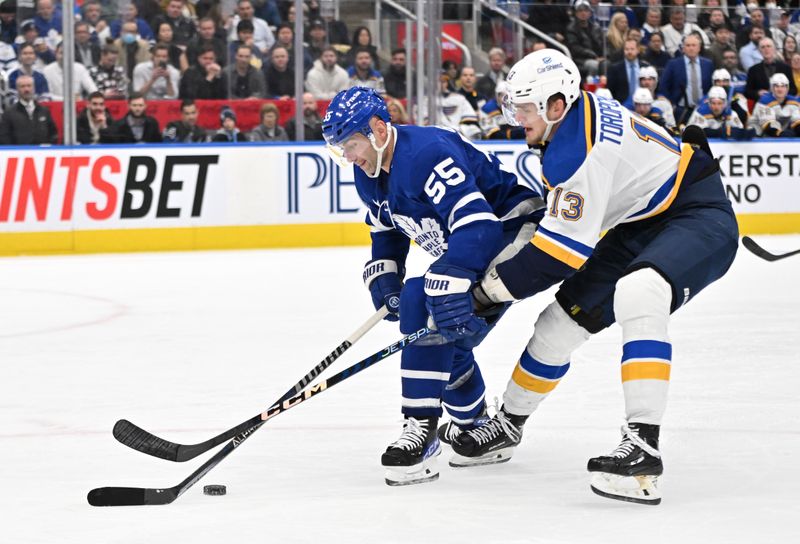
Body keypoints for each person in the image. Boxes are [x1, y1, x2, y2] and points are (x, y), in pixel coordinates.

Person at [439, 49, 738, 506]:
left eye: (524, 108)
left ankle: (642, 446)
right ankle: (507, 425)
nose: (516, 118)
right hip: (639, 222)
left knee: (640, 290)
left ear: (556, 105)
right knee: (556, 326)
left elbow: (557, 257)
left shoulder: (574, 151)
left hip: (698, 215)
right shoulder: (572, 123)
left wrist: (485, 293)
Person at [321, 86, 544, 486]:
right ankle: (474, 425)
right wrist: (386, 281)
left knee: (426, 301)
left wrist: (452, 273)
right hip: (476, 241)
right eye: (342, 148)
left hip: (514, 229)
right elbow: (386, 231)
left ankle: (420, 430)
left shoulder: (426, 154)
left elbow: (478, 224)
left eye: (352, 144)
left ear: (377, 128)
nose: (349, 156)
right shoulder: (368, 171)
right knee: (434, 324)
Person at [660, 33, 713, 123]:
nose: (691, 48)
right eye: (688, 45)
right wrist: (672, 105)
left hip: (702, 109)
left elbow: (710, 86)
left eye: (694, 45)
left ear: (699, 48)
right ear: (683, 48)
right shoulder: (673, 64)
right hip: (681, 109)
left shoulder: (708, 64)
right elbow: (664, 86)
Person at [0, 73, 57, 144]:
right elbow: (4, 137)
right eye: (22, 86)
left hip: (42, 153)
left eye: (29, 86)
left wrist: (47, 147)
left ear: (34, 88)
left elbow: (53, 134)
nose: (26, 89)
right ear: (17, 89)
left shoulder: (44, 111)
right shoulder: (9, 113)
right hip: (18, 153)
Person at [686, 85, 754, 140]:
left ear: (725, 104)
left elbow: (739, 130)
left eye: (719, 103)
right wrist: (722, 132)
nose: (716, 107)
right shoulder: (700, 113)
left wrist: (743, 133)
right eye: (713, 103)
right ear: (709, 103)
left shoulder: (731, 114)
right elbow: (699, 134)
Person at [748, 73, 800, 138]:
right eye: (777, 86)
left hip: (780, 133)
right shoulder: (764, 101)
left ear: (787, 88)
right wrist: (780, 133)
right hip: (758, 134)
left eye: (783, 86)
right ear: (772, 88)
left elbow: (797, 120)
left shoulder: (794, 101)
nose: (780, 89)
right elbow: (769, 126)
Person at [566, 0, 605, 77]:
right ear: (576, 13)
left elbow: (604, 44)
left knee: (608, 64)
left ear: (590, 13)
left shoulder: (596, 27)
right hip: (581, 59)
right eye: (580, 11)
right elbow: (575, 48)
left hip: (598, 57)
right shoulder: (571, 28)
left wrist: (605, 56)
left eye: (586, 10)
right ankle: (591, 86)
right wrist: (594, 56)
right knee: (594, 65)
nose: (583, 13)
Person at [607, 38, 649, 103]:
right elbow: (611, 90)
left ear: (638, 50)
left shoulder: (646, 67)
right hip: (622, 104)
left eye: (632, 49)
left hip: (643, 103)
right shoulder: (614, 69)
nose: (629, 52)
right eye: (626, 49)